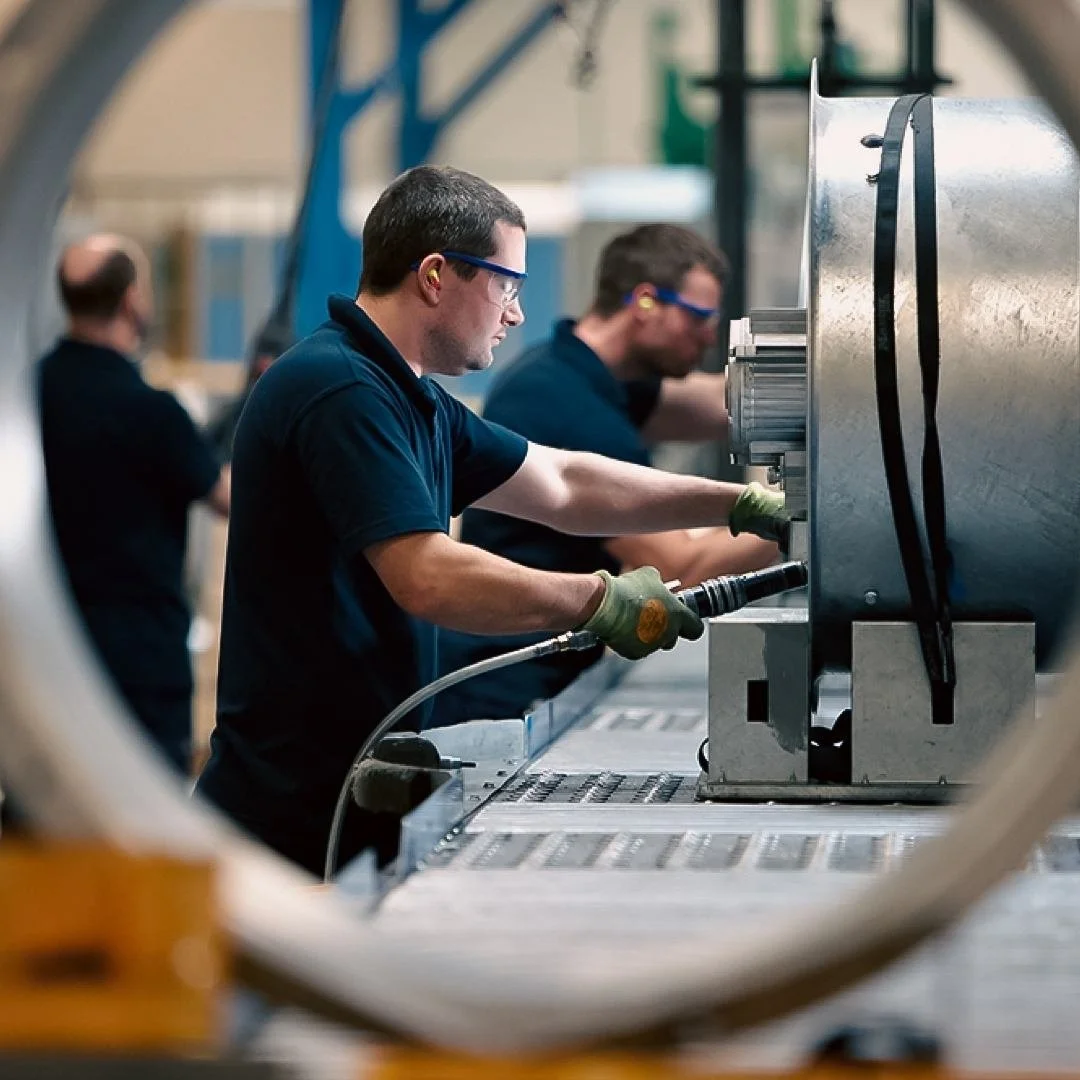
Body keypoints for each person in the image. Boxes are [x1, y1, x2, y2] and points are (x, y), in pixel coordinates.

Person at [194, 166, 786, 875]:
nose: (513, 314)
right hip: (286, 806)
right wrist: (599, 599)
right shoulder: (340, 389)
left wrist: (736, 504)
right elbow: (428, 575)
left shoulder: (414, 399)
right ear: (436, 276)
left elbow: (565, 481)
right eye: (507, 285)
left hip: (350, 780)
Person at [435, 223, 779, 724]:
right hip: (505, 689)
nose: (708, 337)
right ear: (644, 302)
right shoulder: (572, 412)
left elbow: (719, 402)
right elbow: (684, 571)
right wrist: (803, 515)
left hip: (541, 671)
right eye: (699, 318)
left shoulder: (573, 371)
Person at [37, 234, 230, 775]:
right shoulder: (151, 412)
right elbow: (226, 497)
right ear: (131, 302)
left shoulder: (25, 396)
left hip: (46, 647)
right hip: (138, 663)